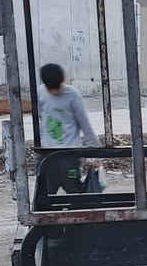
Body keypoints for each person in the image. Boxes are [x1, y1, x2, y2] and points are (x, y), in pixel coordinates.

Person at [36, 63, 99, 195]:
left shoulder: (72, 95)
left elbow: (85, 124)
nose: (55, 92)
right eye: (51, 89)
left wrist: (95, 153)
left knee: (75, 193)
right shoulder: (40, 93)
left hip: (69, 156)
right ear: (45, 85)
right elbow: (40, 117)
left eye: (58, 87)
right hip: (48, 156)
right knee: (44, 195)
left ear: (63, 81)